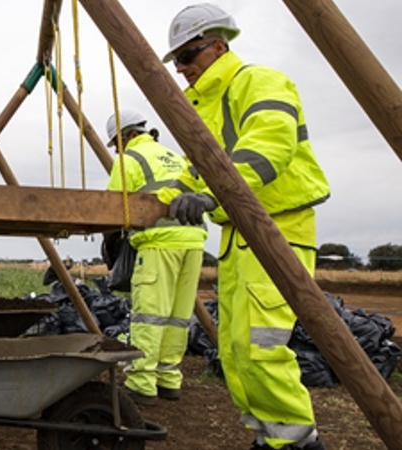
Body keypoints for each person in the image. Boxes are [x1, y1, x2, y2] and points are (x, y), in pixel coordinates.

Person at [159, 4, 330, 450]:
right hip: (241, 237)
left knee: (260, 349)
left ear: (219, 45)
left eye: (188, 55)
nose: (181, 68)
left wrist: (215, 195)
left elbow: (268, 147)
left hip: (277, 230)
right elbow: (195, 174)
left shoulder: (259, 81)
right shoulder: (206, 108)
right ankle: (268, 439)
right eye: (176, 60)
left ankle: (297, 443)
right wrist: (149, 205)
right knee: (235, 353)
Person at [105, 110, 208, 406]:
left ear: (126, 136)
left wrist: (110, 246)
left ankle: (141, 382)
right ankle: (168, 378)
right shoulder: (174, 156)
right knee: (177, 316)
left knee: (149, 314)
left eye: (115, 144)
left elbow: (113, 208)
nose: (116, 150)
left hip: (158, 243)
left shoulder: (130, 160)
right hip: (193, 242)